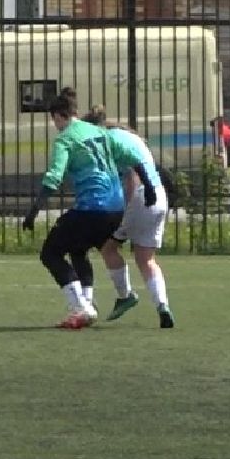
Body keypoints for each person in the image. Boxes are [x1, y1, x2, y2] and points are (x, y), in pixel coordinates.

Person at [24, 89, 157, 330]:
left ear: (59, 116)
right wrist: (149, 188)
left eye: (54, 119)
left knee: (50, 253)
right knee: (77, 249)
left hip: (92, 209)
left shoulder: (65, 139)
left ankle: (81, 307)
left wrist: (34, 210)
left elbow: (54, 176)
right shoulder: (100, 132)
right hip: (116, 208)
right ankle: (87, 302)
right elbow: (133, 157)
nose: (55, 125)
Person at [83, 107, 176, 330]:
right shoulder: (131, 137)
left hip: (141, 198)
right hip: (160, 198)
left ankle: (125, 295)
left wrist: (122, 210)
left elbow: (132, 178)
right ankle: (162, 306)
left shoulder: (109, 141)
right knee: (146, 259)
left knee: (109, 249)